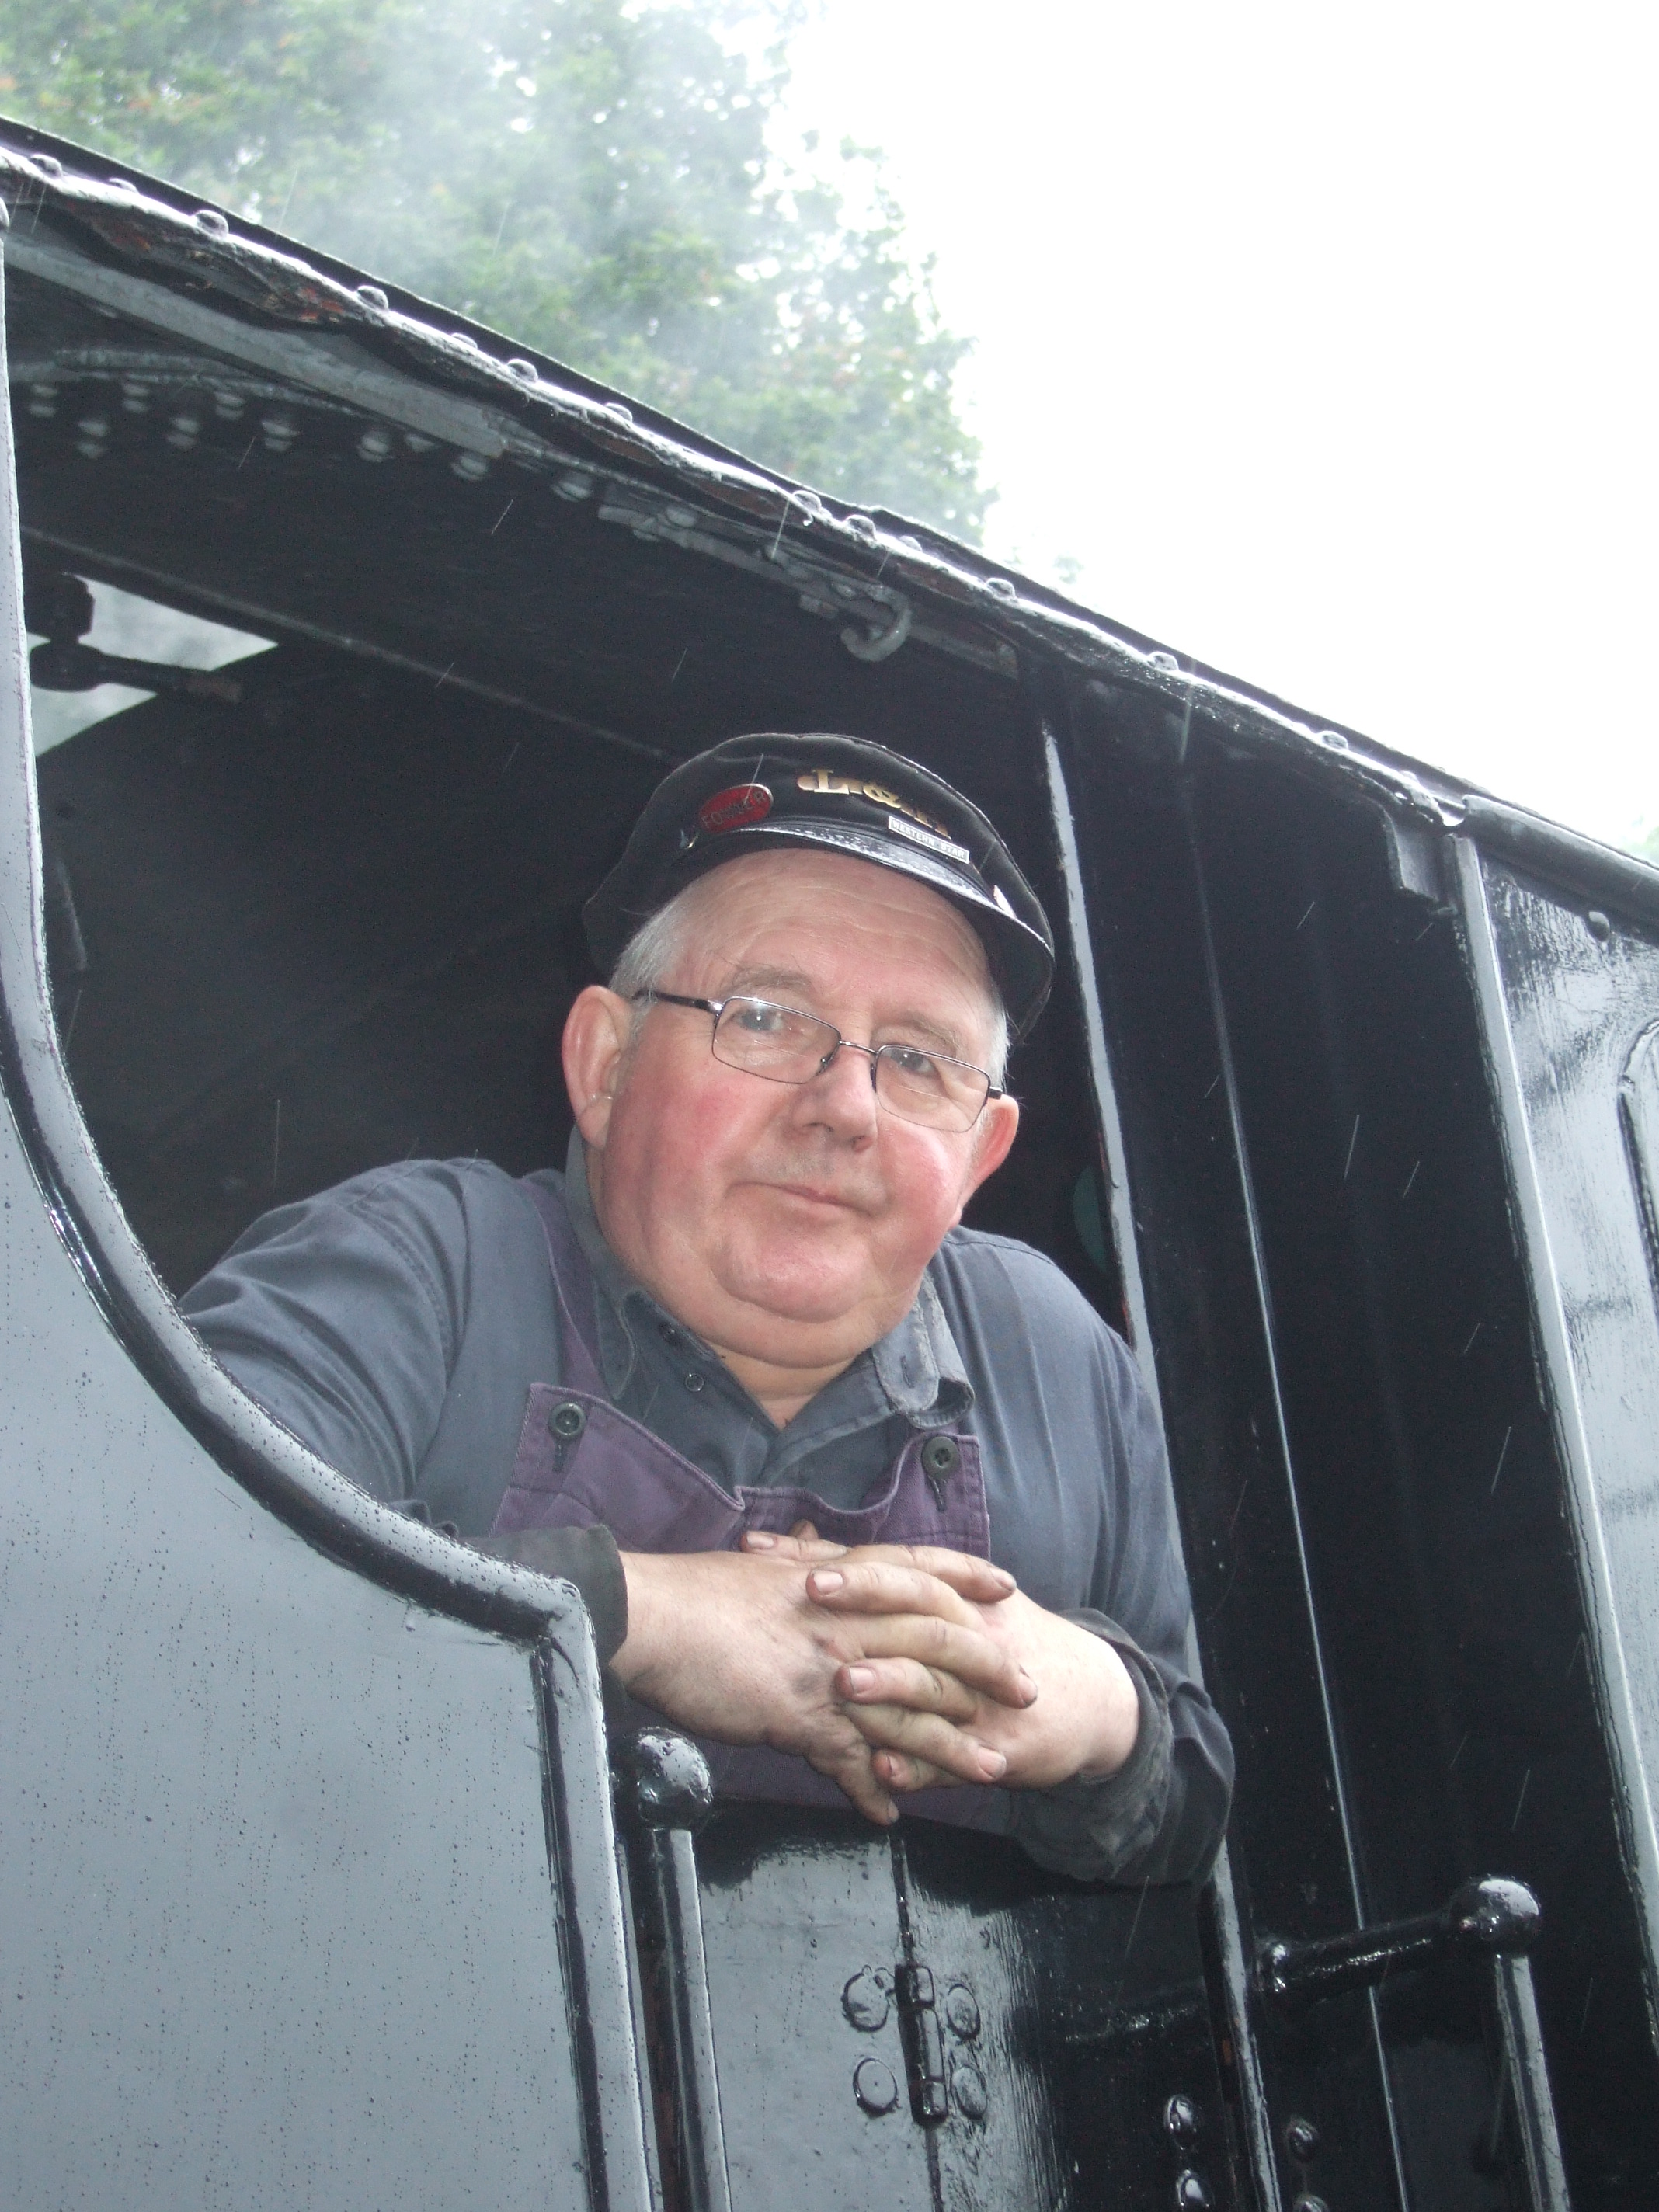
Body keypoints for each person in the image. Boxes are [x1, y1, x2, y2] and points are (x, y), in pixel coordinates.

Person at [182, 732, 1231, 1880]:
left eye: (920, 1061)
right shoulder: (410, 1272)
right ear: (605, 1067)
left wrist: (1094, 1708)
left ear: (982, 1158)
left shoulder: (1062, 1361)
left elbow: (1193, 1795)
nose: (848, 1109)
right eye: (767, 1020)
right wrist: (632, 1614)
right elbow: (149, 1599)